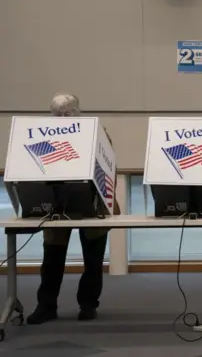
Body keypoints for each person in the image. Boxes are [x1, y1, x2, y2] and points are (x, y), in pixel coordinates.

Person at [27, 94, 121, 325]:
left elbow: (108, 167)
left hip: (92, 204)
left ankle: (88, 304)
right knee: (52, 258)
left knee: (93, 258)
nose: (61, 118)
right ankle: (46, 305)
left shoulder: (97, 133)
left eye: (67, 113)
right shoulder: (41, 136)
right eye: (56, 114)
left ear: (79, 112)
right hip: (56, 203)